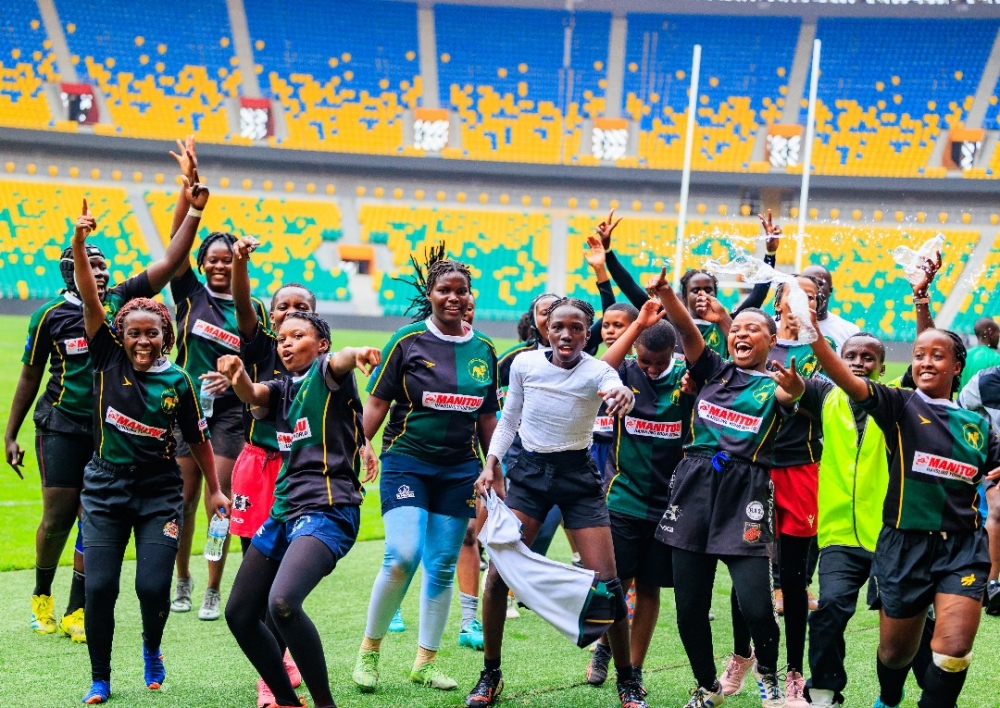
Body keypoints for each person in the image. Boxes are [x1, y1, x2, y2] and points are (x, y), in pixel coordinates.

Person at [5, 139, 206, 642]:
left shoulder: (122, 302)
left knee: (89, 517)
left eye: (102, 266)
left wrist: (192, 205)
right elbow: (30, 376)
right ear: (70, 271)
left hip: (106, 428)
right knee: (57, 516)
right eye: (86, 265)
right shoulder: (49, 316)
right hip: (60, 425)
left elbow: (170, 261)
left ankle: (78, 609)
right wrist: (10, 433)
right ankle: (42, 594)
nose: (97, 272)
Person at [70, 200, 229, 704]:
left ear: (166, 335)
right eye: (134, 333)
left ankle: (152, 649)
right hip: (104, 488)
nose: (142, 342)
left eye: (152, 333)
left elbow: (199, 439)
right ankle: (100, 678)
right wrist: (79, 243)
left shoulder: (179, 381)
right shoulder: (105, 354)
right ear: (119, 335)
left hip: (159, 491)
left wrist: (216, 491)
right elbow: (92, 299)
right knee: (99, 589)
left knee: (152, 588)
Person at [803, 306, 1000, 708]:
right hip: (904, 545)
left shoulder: (978, 427)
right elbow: (845, 378)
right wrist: (813, 334)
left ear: (956, 367)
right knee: (895, 654)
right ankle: (889, 697)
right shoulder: (899, 405)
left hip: (962, 547)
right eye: (919, 355)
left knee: (953, 652)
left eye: (937, 356)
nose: (926, 362)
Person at [467, 297, 646, 708]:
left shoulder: (597, 370)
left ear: (588, 333)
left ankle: (627, 680)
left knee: (609, 583)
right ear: (545, 329)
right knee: (498, 577)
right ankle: (490, 674)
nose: (566, 335)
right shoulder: (525, 364)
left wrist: (623, 395)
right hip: (529, 476)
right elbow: (509, 419)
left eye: (576, 328)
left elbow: (615, 387)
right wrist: (491, 464)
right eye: (558, 326)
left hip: (577, 478)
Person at [646, 266, 805, 708]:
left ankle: (768, 676)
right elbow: (685, 329)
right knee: (689, 607)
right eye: (736, 329)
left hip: (745, 492)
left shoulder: (775, 384)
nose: (741, 334)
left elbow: (790, 397)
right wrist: (666, 294)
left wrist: (794, 389)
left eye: (754, 329)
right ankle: (708, 687)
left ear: (772, 340)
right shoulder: (712, 370)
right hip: (695, 486)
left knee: (757, 607)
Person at [352, 257, 499, 693]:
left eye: (461, 290)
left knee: (441, 565)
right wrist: (360, 444)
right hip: (407, 461)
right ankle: (369, 651)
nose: (453, 297)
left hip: (459, 469)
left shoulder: (484, 348)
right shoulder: (407, 340)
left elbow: (487, 417)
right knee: (402, 555)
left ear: (470, 296)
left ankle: (425, 662)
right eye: (444, 290)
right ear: (430, 294)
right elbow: (376, 402)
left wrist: (494, 468)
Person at [221, 313, 379, 708]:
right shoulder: (282, 388)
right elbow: (253, 394)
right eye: (281, 339)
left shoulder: (328, 374)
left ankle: (325, 705)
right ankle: (288, 702)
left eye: (297, 336)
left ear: (321, 344)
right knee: (240, 614)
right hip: (284, 511)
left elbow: (342, 359)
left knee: (283, 602)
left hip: (328, 508)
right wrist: (238, 375)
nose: (286, 343)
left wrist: (357, 351)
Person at [724, 273, 826, 707]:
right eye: (796, 295)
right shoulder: (757, 345)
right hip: (752, 469)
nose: (804, 302)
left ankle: (795, 673)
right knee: (745, 567)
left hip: (799, 470)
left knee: (795, 578)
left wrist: (799, 395)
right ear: (779, 303)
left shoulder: (823, 352)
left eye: (812, 296)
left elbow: (827, 408)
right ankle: (741, 655)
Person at [585, 300, 692, 694]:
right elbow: (596, 369)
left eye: (659, 362)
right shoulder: (622, 373)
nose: (650, 369)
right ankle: (604, 647)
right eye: (645, 360)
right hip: (623, 499)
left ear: (673, 353)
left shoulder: (687, 378)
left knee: (649, 587)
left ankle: (635, 669)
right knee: (617, 582)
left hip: (669, 504)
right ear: (634, 351)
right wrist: (635, 330)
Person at [228, 235, 313, 705]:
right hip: (258, 469)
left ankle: (273, 670)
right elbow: (243, 306)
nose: (290, 312)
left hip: (299, 471)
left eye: (302, 307)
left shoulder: (319, 362)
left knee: (283, 578)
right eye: (283, 306)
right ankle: (275, 665)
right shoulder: (262, 345)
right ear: (271, 315)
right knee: (256, 571)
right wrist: (240, 263)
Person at [169, 215, 268, 620]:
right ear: (202, 262)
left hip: (229, 415)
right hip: (185, 409)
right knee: (182, 500)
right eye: (212, 259)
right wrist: (191, 204)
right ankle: (182, 579)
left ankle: (212, 587)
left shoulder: (252, 308)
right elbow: (176, 244)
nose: (220, 265)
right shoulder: (190, 294)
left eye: (227, 259)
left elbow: (260, 363)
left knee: (220, 501)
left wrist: (233, 380)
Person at [799, 333, 890, 708]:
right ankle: (824, 692)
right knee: (830, 607)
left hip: (890, 536)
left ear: (882, 367)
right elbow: (784, 388)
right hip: (839, 535)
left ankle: (894, 693)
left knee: (905, 622)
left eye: (868, 357)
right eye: (850, 355)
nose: (858, 363)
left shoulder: (897, 401)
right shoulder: (824, 396)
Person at [595, 209, 782, 358]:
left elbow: (758, 294)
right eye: (695, 290)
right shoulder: (669, 320)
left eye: (708, 289)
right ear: (684, 296)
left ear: (715, 294)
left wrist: (770, 253)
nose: (702, 294)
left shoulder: (729, 322)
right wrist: (608, 252)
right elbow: (630, 287)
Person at [959, 365, 1000, 616]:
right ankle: (992, 584)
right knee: (998, 507)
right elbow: (959, 415)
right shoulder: (986, 382)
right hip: (996, 458)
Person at [800, 264, 862, 351]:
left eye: (819, 284)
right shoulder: (782, 327)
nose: (813, 289)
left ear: (830, 291)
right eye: (807, 284)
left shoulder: (849, 332)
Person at [960, 316, 1000, 389]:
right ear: (991, 333)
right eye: (998, 333)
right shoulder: (995, 358)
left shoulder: (964, 356)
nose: (998, 337)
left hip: (962, 396)